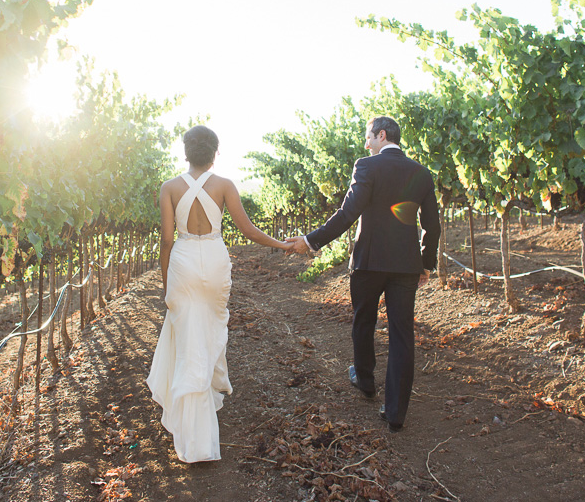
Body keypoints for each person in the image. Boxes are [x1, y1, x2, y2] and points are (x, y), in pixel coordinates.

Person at [286, 116, 439, 433]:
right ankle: (396, 413)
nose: (366, 144)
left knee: (364, 319)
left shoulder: (367, 167)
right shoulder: (421, 173)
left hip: (368, 261)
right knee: (401, 334)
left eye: (368, 137)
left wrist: (311, 241)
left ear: (381, 135)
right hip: (406, 266)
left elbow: (347, 213)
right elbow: (432, 226)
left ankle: (366, 381)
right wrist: (426, 262)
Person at [147, 125, 290, 463]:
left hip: (182, 261)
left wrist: (167, 284)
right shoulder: (224, 186)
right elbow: (247, 230)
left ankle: (192, 403)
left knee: (187, 334)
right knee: (210, 327)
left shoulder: (168, 188)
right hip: (213, 260)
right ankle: (209, 389)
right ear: (214, 153)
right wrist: (283, 244)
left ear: (186, 152)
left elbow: (167, 241)